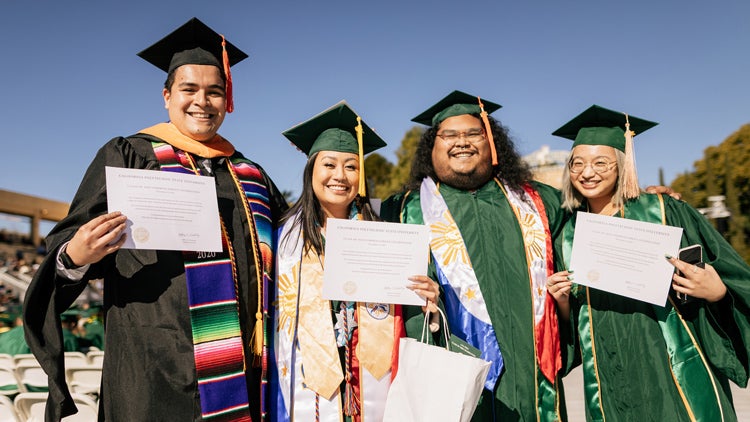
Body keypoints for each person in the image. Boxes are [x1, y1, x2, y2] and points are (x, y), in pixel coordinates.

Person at [23, 18, 288, 421]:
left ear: (227, 100)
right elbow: (67, 246)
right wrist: (76, 254)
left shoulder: (249, 175)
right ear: (167, 96)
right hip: (152, 373)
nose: (203, 101)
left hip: (241, 373)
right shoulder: (130, 155)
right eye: (189, 89)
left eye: (215, 92)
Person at [547, 104, 750, 421]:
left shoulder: (665, 211)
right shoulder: (568, 233)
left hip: (671, 364)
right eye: (577, 164)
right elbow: (571, 324)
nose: (587, 173)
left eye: (601, 162)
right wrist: (560, 300)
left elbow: (729, 274)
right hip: (607, 376)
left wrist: (718, 292)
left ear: (622, 166)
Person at [380, 90, 572, 421]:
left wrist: (644, 201)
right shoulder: (403, 209)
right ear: (433, 146)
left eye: (474, 133)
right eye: (449, 135)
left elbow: (601, 217)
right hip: (450, 375)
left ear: (492, 142)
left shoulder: (541, 203)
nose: (462, 142)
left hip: (530, 376)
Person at [269, 101, 439, 421]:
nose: (340, 176)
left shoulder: (386, 238)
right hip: (303, 382)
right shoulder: (281, 241)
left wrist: (426, 303)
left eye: (351, 166)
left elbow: (407, 322)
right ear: (311, 171)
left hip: (370, 384)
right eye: (329, 165)